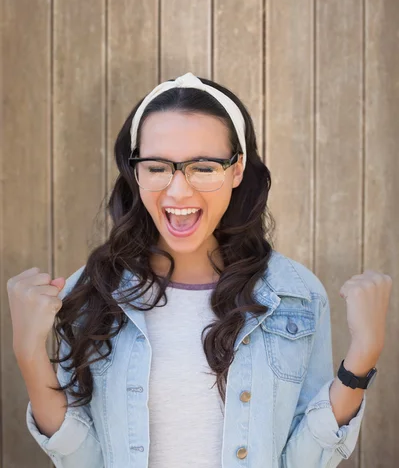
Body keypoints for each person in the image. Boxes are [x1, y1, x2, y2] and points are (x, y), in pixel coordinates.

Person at [7, 72, 392, 468]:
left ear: (236, 170)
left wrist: (362, 357)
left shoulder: (295, 294)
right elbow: (84, 461)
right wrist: (29, 354)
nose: (178, 192)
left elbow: (304, 462)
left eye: (204, 167)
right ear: (135, 171)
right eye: (157, 167)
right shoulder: (90, 292)